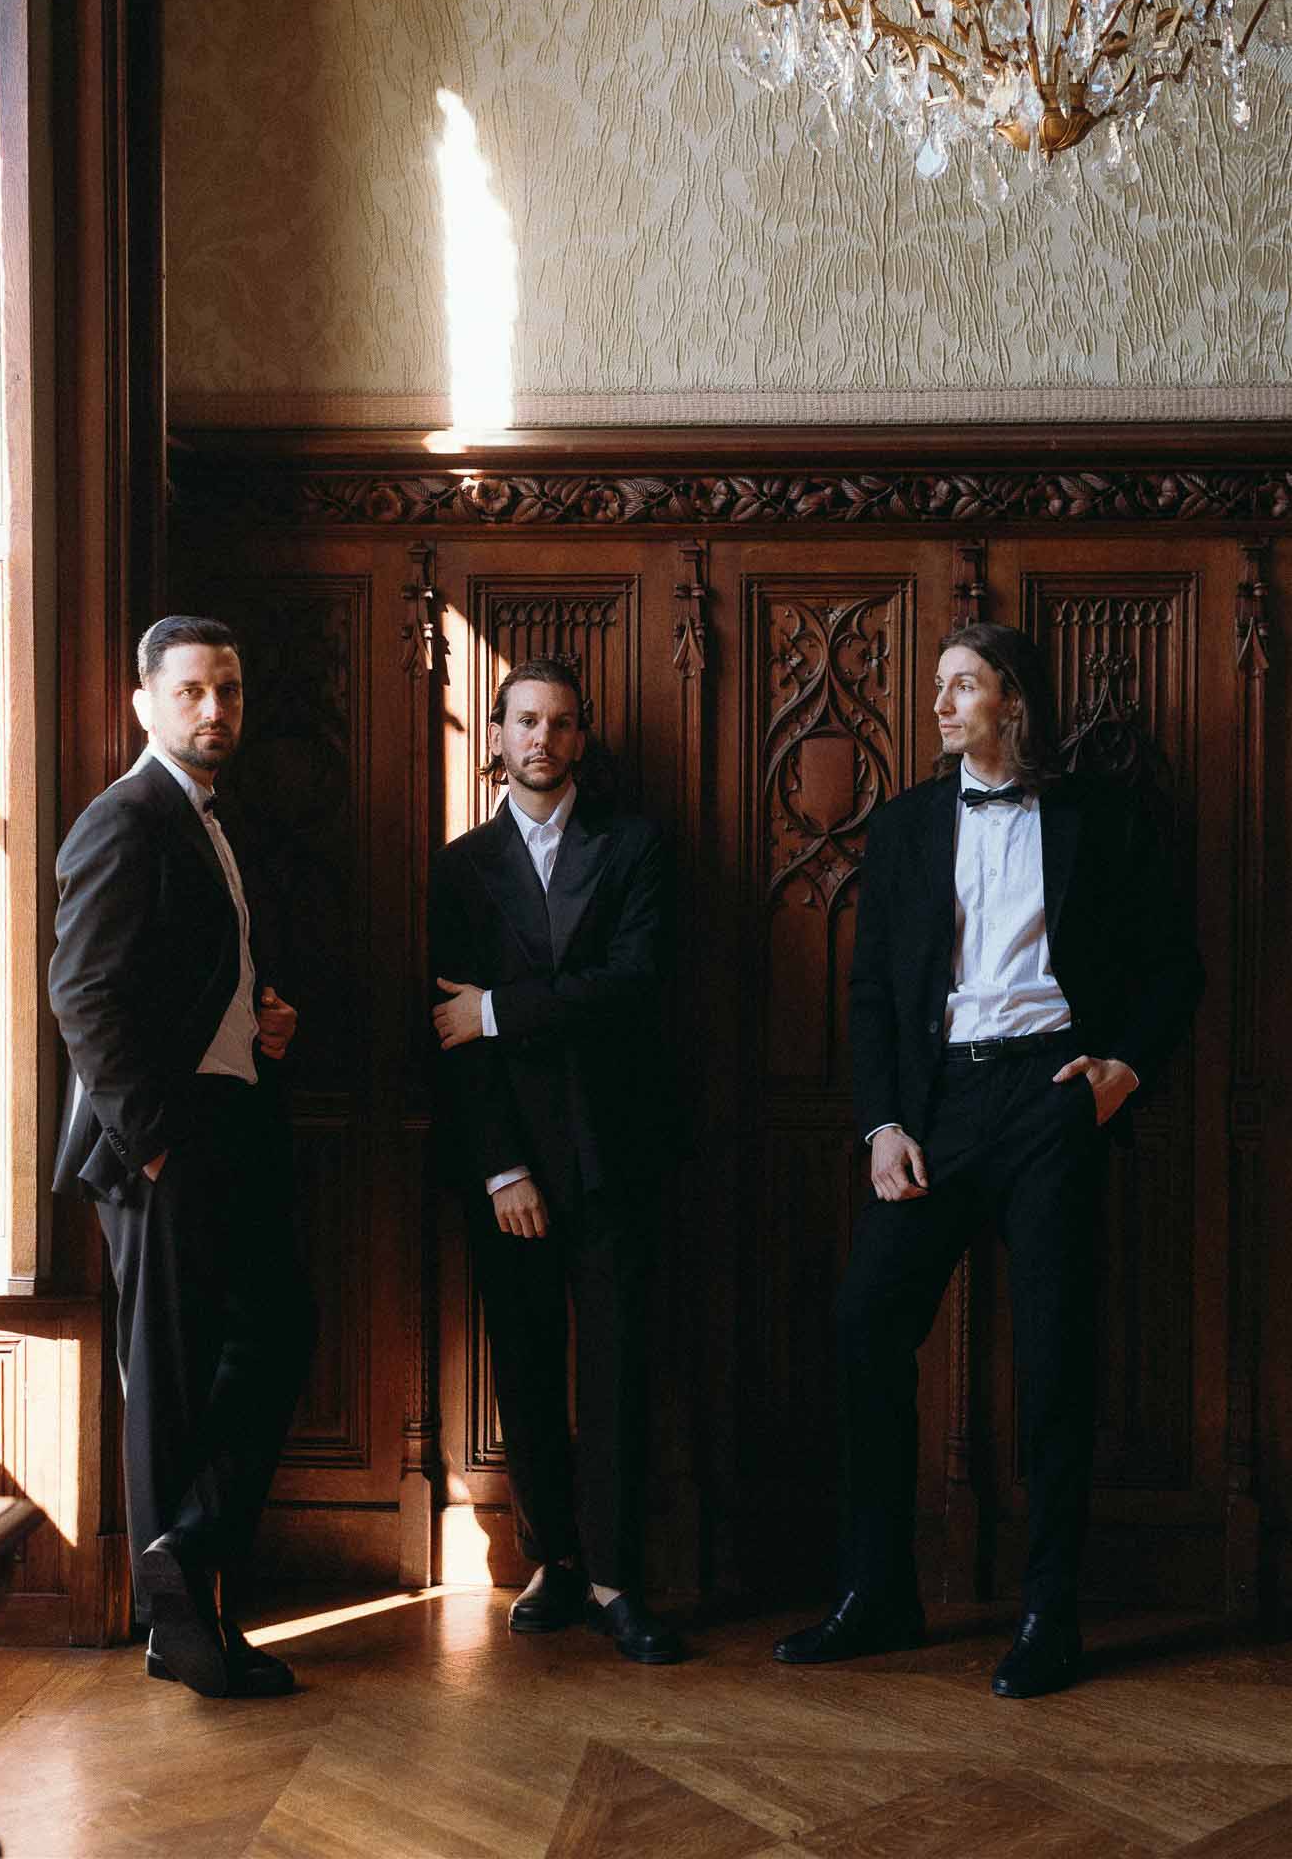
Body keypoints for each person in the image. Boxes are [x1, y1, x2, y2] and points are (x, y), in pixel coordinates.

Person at [773, 623, 1203, 1698]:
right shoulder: (906, 825)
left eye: (961, 684)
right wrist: (881, 1125)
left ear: (1013, 698)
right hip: (938, 1104)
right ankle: (879, 1592)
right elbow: (872, 990)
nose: (938, 702)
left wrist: (1123, 1070)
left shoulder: (1098, 817)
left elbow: (1174, 965)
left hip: (1053, 1096)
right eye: (936, 685)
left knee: (1055, 1356)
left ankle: (1049, 1612)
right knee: (865, 1319)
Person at [49, 615, 315, 1698]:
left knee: (275, 1334)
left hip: (229, 1119)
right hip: (163, 1140)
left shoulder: (208, 814)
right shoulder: (125, 816)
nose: (215, 709)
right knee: (169, 1383)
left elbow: (197, 970)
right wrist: (151, 1142)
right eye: (193, 690)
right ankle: (184, 1631)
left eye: (229, 690)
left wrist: (264, 1012)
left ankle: (189, 1558)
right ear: (145, 703)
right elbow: (83, 994)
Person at [428, 658, 683, 1664]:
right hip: (510, 1162)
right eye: (525, 720)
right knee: (526, 1367)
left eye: (561, 722)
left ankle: (617, 1574)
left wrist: (498, 1007)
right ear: (496, 735)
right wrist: (500, 1169)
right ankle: (556, 1559)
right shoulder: (460, 866)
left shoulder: (635, 844)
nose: (542, 737)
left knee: (617, 1369)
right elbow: (444, 1036)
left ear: (580, 738)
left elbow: (634, 982)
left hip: (616, 1152)